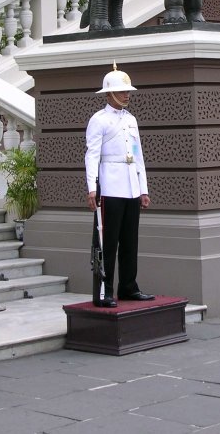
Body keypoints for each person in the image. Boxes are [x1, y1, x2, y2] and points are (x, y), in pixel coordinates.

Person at [85, 63, 154, 308]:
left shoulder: (131, 120)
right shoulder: (99, 120)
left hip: (131, 186)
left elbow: (138, 154)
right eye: (122, 91)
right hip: (111, 185)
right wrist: (92, 187)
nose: (127, 95)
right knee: (108, 241)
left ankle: (128, 287)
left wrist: (143, 188)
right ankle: (105, 291)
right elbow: (92, 154)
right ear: (109, 93)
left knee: (129, 240)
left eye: (128, 91)